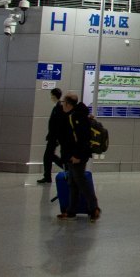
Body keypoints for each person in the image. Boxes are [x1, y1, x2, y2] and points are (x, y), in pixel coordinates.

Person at [55, 93, 100, 221]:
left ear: (68, 104)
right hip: (71, 154)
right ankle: (71, 211)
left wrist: (78, 156)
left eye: (63, 102)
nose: (62, 105)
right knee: (72, 183)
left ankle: (94, 208)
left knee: (81, 182)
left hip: (77, 155)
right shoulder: (74, 114)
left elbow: (82, 138)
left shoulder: (77, 117)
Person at [38, 87, 64, 184]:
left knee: (48, 156)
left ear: (54, 96)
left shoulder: (59, 107)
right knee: (49, 156)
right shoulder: (57, 107)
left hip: (54, 137)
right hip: (53, 136)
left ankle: (65, 167)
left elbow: (57, 124)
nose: (51, 97)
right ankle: (47, 176)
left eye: (51, 95)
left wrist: (56, 137)